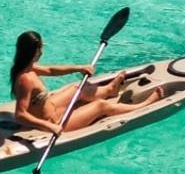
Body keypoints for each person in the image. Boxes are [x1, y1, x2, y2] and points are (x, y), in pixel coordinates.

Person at [10, 29, 160, 136]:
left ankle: (110, 90)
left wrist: (79, 68)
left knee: (77, 88)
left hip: (51, 109)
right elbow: (20, 115)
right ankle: (143, 106)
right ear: (33, 51)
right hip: (52, 122)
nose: (42, 51)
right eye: (40, 48)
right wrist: (49, 126)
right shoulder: (25, 79)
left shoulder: (28, 68)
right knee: (101, 106)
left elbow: (50, 70)